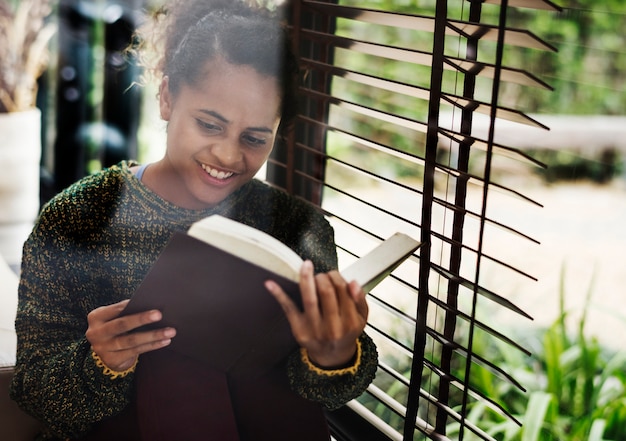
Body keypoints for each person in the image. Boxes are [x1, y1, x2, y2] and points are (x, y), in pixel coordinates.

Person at [9, 0, 378, 440]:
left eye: (255, 138)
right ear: (167, 98)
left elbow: (329, 394)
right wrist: (102, 362)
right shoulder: (78, 219)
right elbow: (33, 391)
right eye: (209, 125)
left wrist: (334, 355)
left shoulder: (296, 228)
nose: (228, 155)